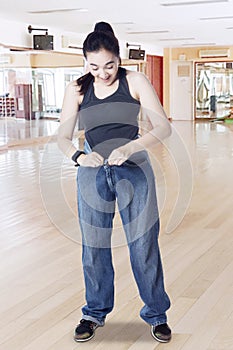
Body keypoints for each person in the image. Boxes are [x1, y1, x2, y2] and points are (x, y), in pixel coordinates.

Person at [58, 21, 172, 343]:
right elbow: (62, 137)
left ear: (118, 59)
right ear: (85, 62)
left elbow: (162, 127)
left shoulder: (134, 81)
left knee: (143, 244)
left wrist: (131, 147)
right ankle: (94, 312)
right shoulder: (77, 88)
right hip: (92, 169)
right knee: (93, 246)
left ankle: (156, 314)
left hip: (133, 166)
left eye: (108, 65)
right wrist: (78, 157)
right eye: (93, 66)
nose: (102, 73)